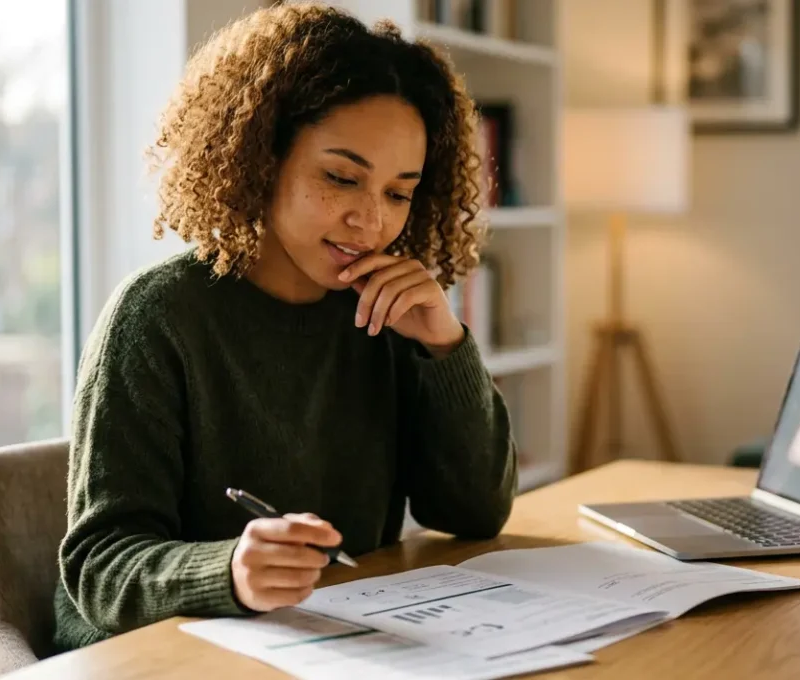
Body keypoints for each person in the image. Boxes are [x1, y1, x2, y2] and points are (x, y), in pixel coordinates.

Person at [52, 3, 516, 653]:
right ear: (260, 157)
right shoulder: (156, 317)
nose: (371, 221)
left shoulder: (387, 318)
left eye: (398, 192)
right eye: (341, 178)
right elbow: (99, 569)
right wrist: (229, 572)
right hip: (165, 656)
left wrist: (445, 345)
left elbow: (474, 513)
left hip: (336, 644)